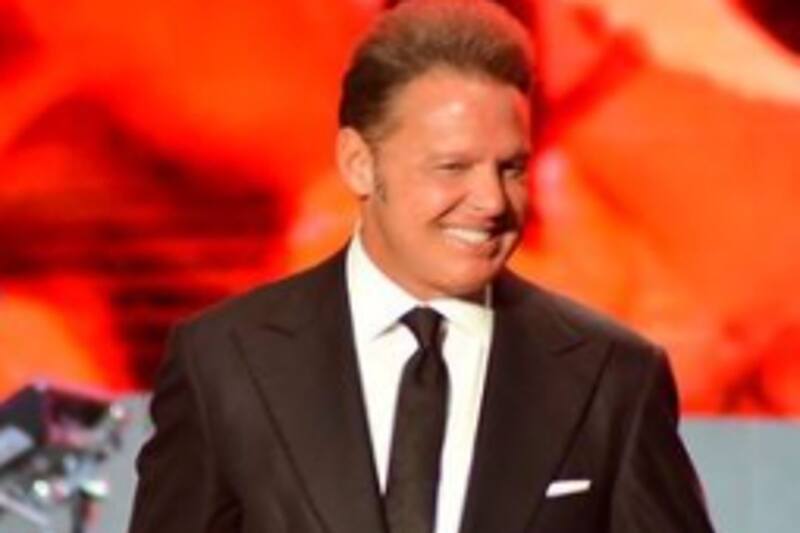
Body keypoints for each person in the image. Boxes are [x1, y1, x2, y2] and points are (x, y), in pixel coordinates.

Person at [129, 1, 716, 532]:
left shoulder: (613, 377)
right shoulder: (224, 363)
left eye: (510, 168)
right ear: (359, 163)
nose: (492, 201)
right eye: (452, 167)